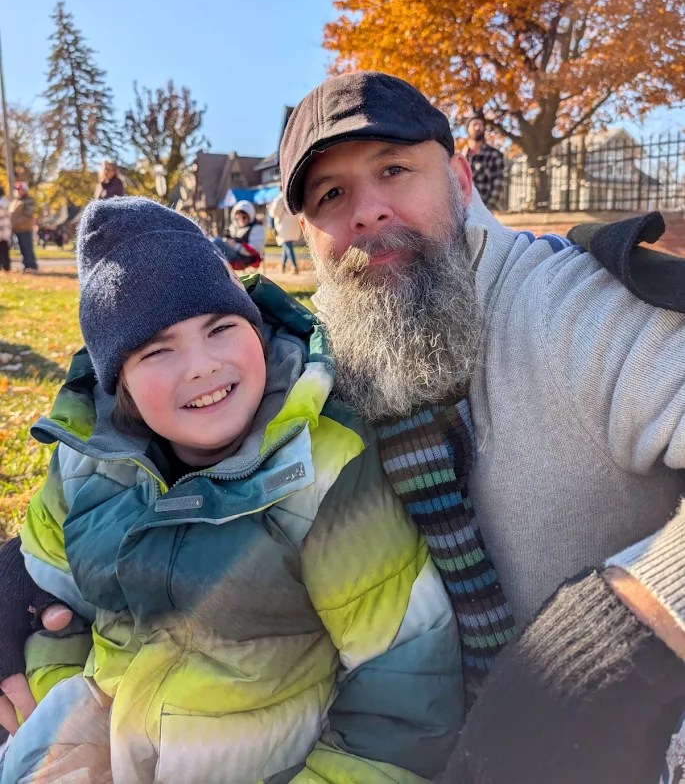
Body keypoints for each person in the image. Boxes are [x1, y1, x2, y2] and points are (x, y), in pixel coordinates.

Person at [275, 70, 685, 777]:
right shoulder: (324, 359)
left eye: (393, 170)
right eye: (330, 195)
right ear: (308, 236)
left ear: (461, 182)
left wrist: (623, 630)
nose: (367, 211)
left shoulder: (570, 305)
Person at [0, 197, 460, 784]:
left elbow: (404, 679)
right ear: (121, 385)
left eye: (220, 328)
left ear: (257, 332)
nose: (201, 366)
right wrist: (60, 697)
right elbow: (47, 603)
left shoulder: (322, 470)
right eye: (157, 350)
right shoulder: (86, 467)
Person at [462, 112, 504, 210]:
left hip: (485, 210)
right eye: (474, 124)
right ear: (468, 129)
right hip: (463, 211)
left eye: (480, 125)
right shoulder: (460, 157)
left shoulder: (494, 155)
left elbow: (497, 186)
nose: (478, 127)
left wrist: (487, 211)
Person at [212, 199, 265, 271]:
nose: (241, 220)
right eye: (238, 217)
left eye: (244, 217)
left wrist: (235, 245)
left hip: (244, 259)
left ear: (250, 216)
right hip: (234, 256)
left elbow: (254, 250)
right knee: (214, 242)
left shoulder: (257, 228)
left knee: (216, 242)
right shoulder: (234, 227)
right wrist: (227, 241)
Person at [268, 190, 301, 273]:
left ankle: (294, 266)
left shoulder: (279, 198)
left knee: (287, 245)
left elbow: (274, 212)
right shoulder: (292, 194)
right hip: (293, 223)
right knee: (286, 245)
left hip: (283, 225)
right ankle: (282, 266)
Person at [9, 181, 37, 273]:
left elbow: (28, 214)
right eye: (17, 189)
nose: (18, 191)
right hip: (17, 229)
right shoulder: (16, 201)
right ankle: (26, 266)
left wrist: (16, 222)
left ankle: (31, 266)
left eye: (20, 189)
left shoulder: (29, 200)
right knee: (21, 248)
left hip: (25, 228)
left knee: (27, 248)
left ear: (25, 190)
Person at [0, 185, 11, 272]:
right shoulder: (4, 201)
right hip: (4, 229)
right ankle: (5, 266)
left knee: (3, 249)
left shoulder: (3, 202)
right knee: (3, 249)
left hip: (3, 229)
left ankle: (6, 267)